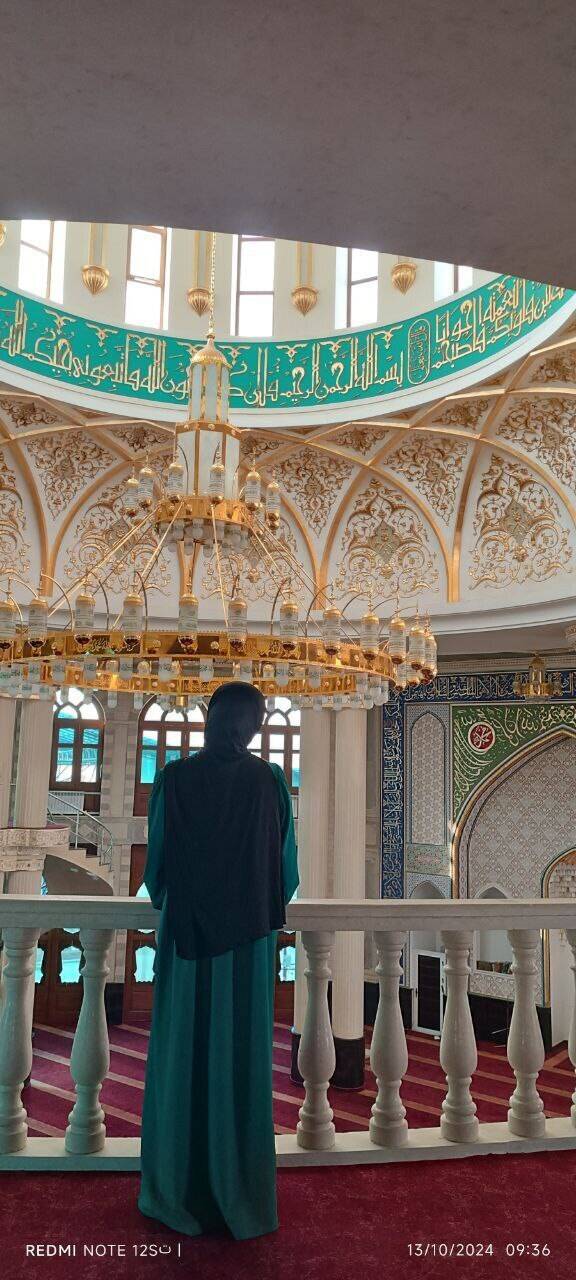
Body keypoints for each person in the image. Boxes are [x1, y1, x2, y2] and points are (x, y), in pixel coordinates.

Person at [138, 681, 299, 1239]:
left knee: (182, 1054)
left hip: (186, 945)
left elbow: (156, 874)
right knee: (240, 1058)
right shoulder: (270, 781)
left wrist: (194, 900)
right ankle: (239, 1192)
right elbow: (287, 873)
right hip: (248, 947)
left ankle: (176, 1189)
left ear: (212, 718)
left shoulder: (174, 779)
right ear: (249, 724)